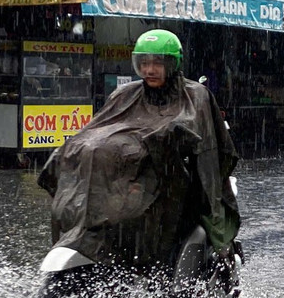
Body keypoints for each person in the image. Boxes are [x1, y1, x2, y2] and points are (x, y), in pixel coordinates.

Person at [38, 29, 240, 270]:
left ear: (172, 63)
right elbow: (100, 130)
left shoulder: (196, 95)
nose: (149, 70)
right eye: (144, 63)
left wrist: (167, 141)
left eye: (157, 63)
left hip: (171, 185)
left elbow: (206, 153)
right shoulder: (125, 94)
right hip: (129, 184)